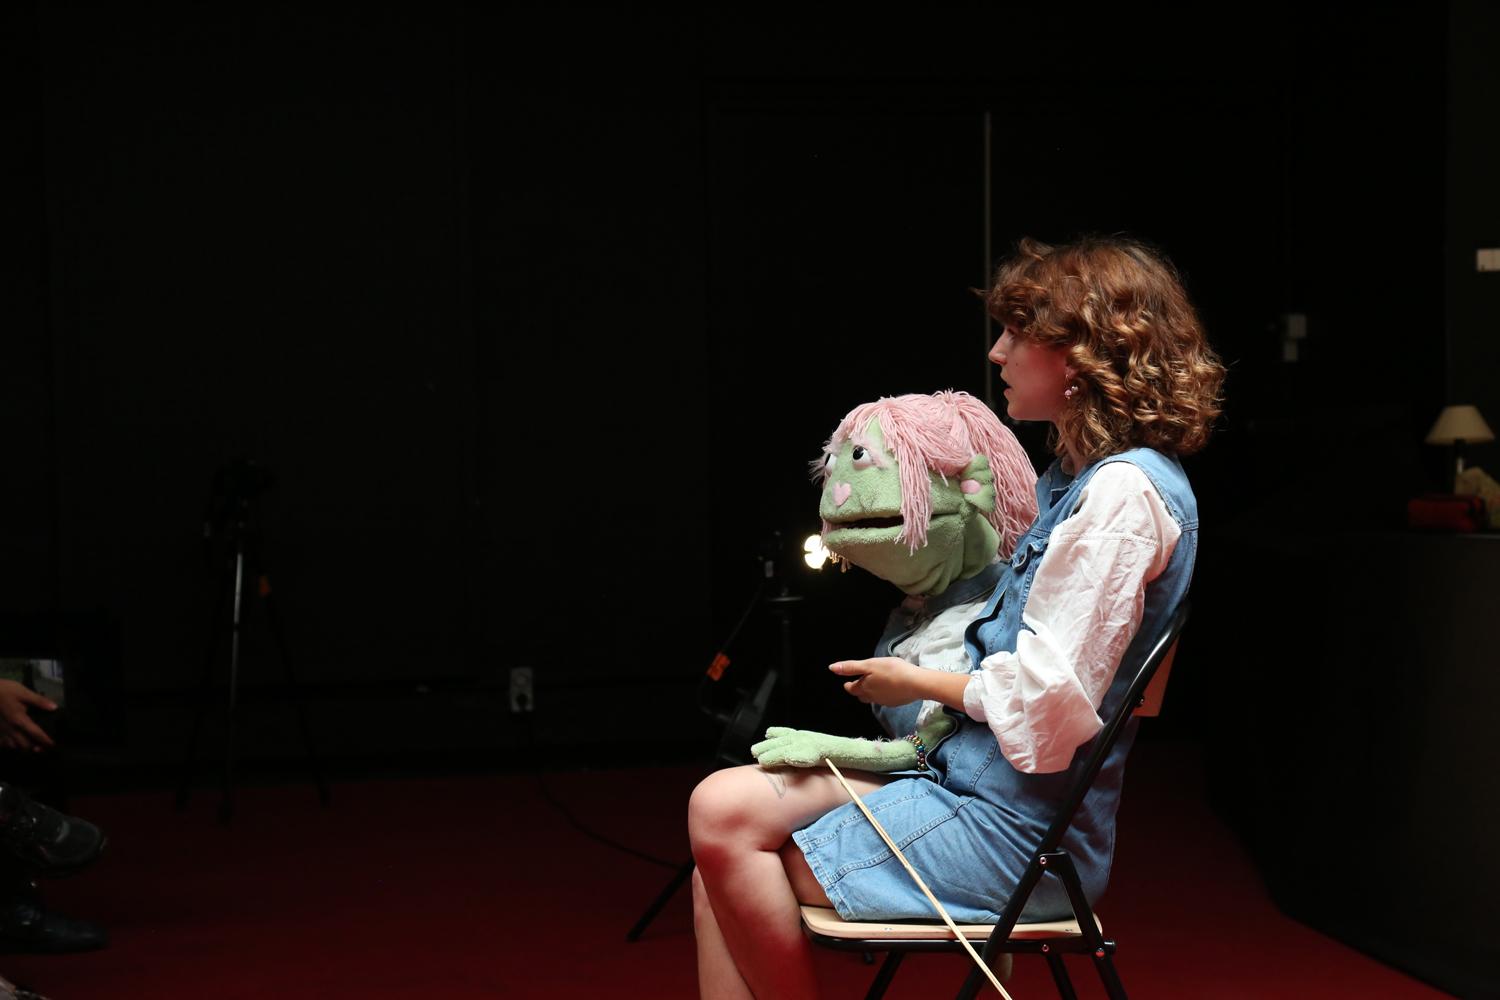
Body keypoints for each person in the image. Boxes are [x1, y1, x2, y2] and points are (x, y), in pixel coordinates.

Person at [687, 234, 1225, 998]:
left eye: (1017, 334)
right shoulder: (1075, 479)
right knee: (716, 823)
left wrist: (916, 681)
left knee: (728, 850)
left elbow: (1044, 720)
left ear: (1080, 355)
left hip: (1011, 836)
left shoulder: (1121, 499)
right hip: (961, 784)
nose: (997, 352)